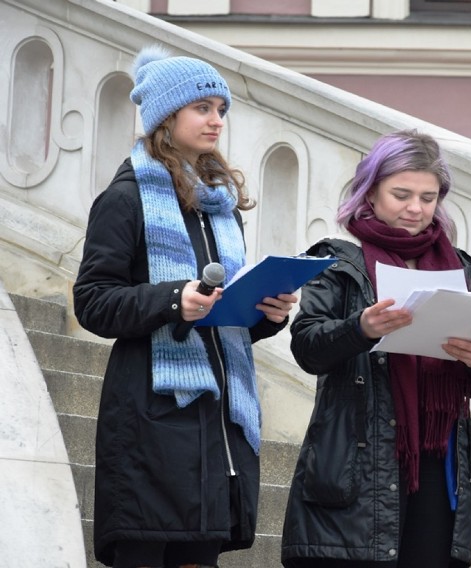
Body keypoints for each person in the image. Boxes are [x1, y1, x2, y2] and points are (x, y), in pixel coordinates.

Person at [73, 45, 297, 568]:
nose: (217, 120)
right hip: (152, 425)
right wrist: (175, 299)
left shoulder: (219, 204)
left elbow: (224, 318)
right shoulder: (126, 198)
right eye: (203, 108)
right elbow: (92, 301)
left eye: (221, 109)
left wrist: (266, 311)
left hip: (217, 429)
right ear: (166, 118)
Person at [281, 130, 471, 568]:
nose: (416, 209)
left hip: (438, 458)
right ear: (371, 191)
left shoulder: (459, 265)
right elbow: (307, 347)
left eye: (428, 197)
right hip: (359, 459)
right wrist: (361, 328)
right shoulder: (338, 261)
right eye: (401, 194)